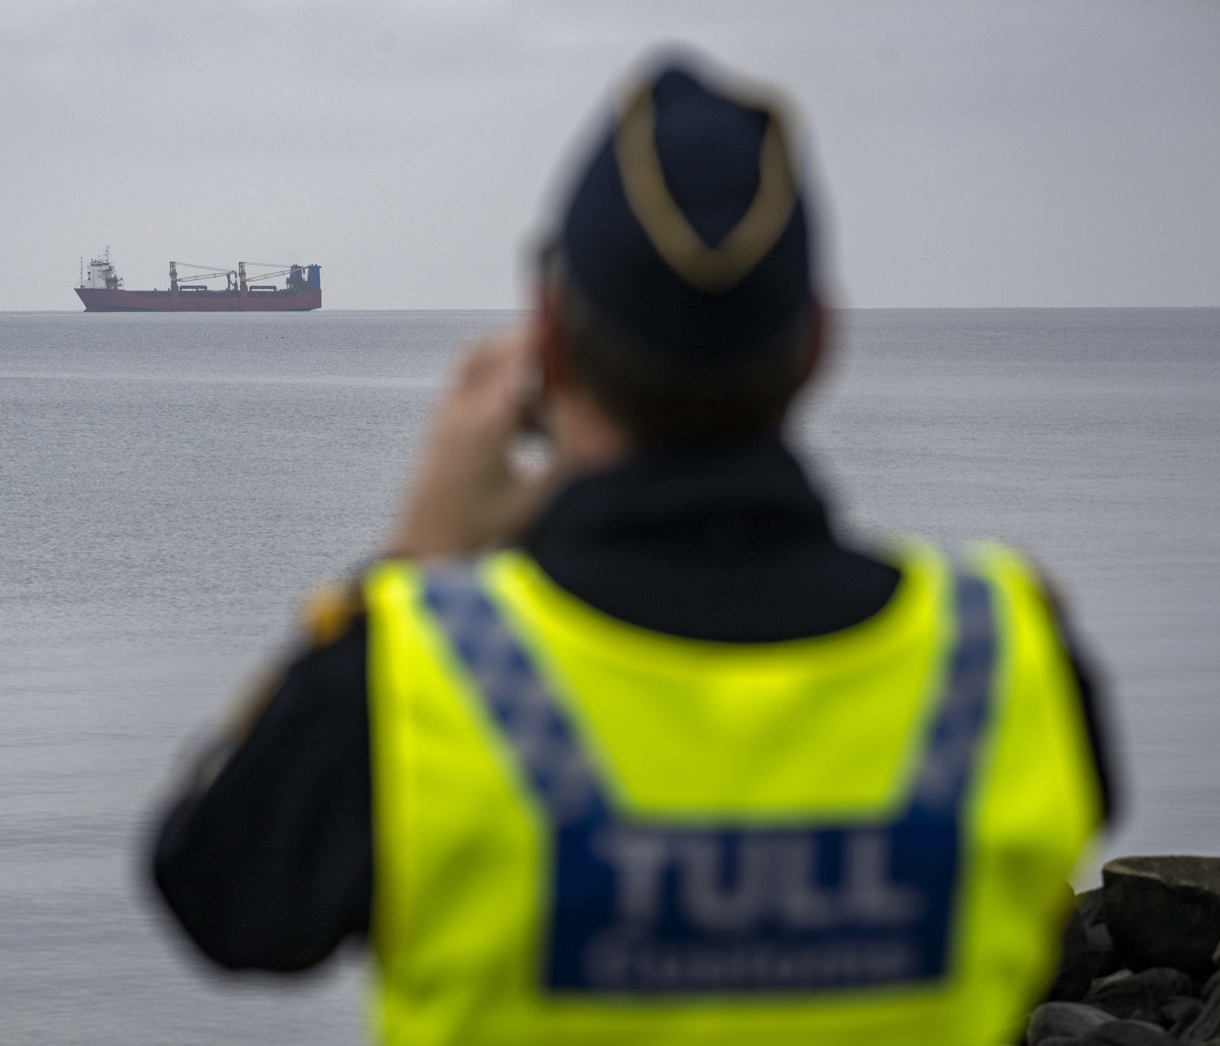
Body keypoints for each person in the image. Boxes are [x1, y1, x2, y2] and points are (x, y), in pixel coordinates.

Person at [151, 59, 1114, 1046]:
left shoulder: (407, 678)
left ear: (550, 351)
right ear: (820, 342)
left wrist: (412, 555)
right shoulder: (1008, 661)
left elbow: (214, 893)